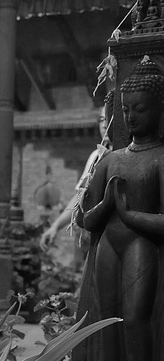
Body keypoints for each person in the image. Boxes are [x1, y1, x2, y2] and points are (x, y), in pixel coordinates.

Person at [74, 56, 164, 361]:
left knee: (136, 318)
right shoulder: (110, 159)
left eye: (140, 109)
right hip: (109, 243)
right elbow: (84, 219)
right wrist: (107, 205)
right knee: (106, 318)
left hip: (141, 244)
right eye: (125, 109)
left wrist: (126, 212)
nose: (131, 117)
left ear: (163, 111)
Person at [39, 91, 114, 253]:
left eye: (108, 119)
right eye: (101, 120)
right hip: (96, 237)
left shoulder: (125, 155)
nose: (103, 125)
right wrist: (56, 227)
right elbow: (80, 196)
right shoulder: (96, 156)